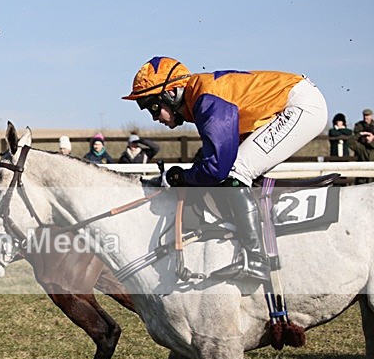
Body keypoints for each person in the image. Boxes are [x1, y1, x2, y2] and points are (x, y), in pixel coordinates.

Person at [123, 56, 327, 281]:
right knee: (237, 170)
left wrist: (181, 177)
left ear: (171, 94)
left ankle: (256, 260)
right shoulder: (198, 97)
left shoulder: (205, 100)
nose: (154, 118)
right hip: (295, 99)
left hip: (300, 105)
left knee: (235, 172)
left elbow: (217, 168)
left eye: (153, 107)